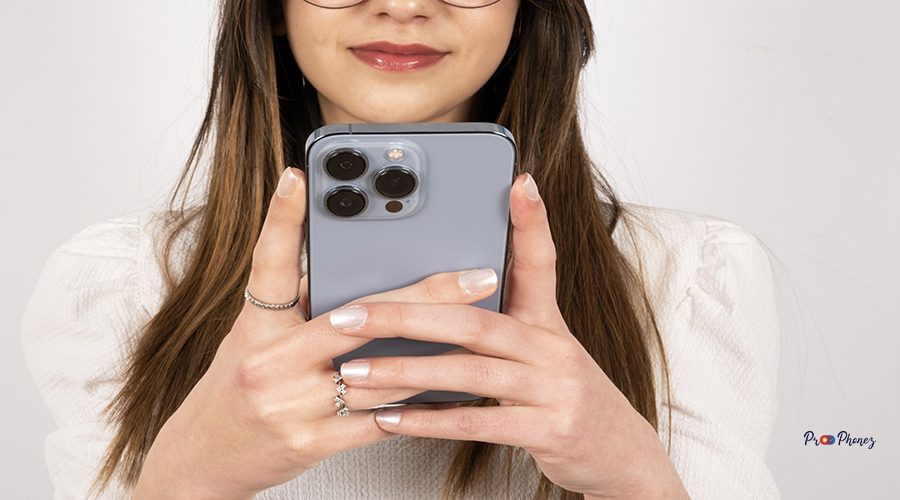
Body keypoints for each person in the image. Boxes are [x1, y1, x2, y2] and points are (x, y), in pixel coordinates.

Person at [21, 0, 782, 499]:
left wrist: (637, 478)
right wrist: (184, 481)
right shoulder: (121, 285)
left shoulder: (688, 277)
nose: (404, 4)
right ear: (275, 10)